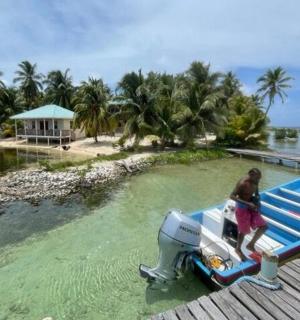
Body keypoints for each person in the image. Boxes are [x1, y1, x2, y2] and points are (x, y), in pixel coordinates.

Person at [230, 168, 267, 261]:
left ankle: (251, 245)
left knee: (264, 226)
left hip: (252, 206)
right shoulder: (242, 183)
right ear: (250, 175)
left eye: (259, 178)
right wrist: (247, 204)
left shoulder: (255, 181)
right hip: (242, 208)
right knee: (243, 231)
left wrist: (257, 199)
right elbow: (232, 196)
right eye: (257, 178)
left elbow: (256, 192)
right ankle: (238, 249)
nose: (258, 180)